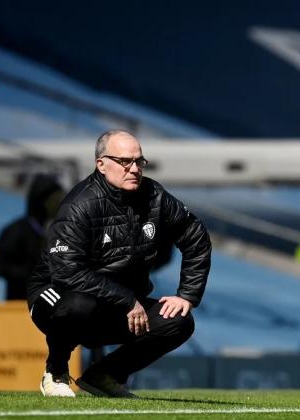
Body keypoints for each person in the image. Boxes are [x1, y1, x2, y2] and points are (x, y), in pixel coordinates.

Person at [27, 129, 211, 398]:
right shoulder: (80, 205)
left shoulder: (155, 197)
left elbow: (196, 237)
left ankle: (105, 376)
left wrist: (187, 295)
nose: (134, 168)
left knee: (179, 322)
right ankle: (55, 372)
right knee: (77, 304)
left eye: (139, 161)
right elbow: (67, 271)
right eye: (124, 161)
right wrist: (126, 299)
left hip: (119, 305)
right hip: (57, 295)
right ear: (101, 164)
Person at [0, 174, 65, 300]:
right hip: (18, 306)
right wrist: (29, 274)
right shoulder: (17, 230)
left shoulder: (55, 233)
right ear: (43, 202)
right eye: (56, 201)